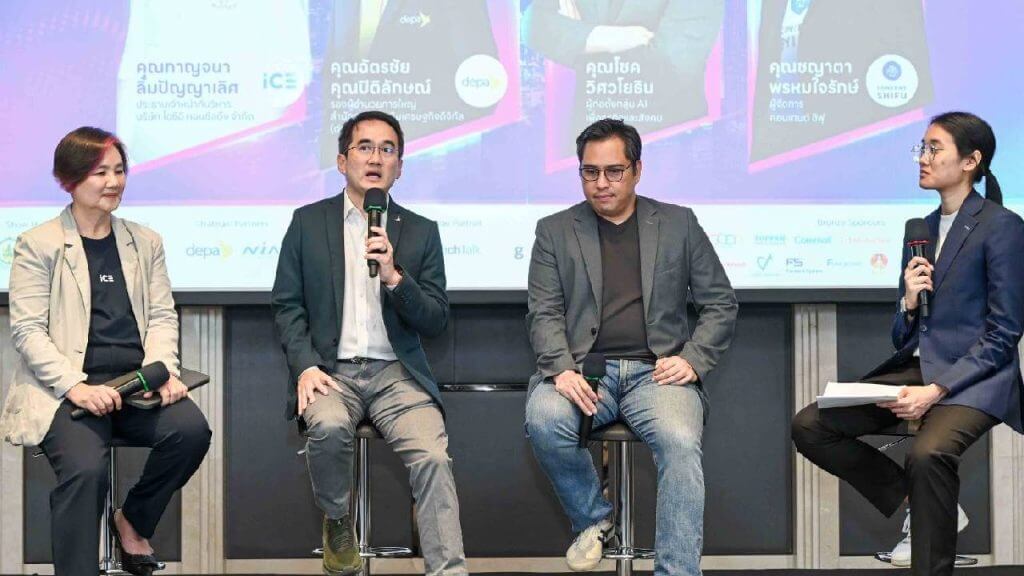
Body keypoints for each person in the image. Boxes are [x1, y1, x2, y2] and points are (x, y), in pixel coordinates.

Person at [792, 111, 1024, 576]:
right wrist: (909, 302)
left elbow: (1005, 331)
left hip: (975, 378)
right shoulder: (919, 228)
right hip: (919, 368)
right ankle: (920, 503)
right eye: (922, 147)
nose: (923, 157)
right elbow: (904, 336)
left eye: (935, 148)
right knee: (810, 425)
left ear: (971, 161)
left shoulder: (1002, 227)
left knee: (928, 454)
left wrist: (935, 391)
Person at [524, 118, 738, 575]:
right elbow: (543, 312)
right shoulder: (554, 230)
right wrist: (561, 369)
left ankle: (677, 572)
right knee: (544, 418)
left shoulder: (678, 223)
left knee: (680, 442)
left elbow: (720, 303)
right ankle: (595, 520)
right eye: (590, 172)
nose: (601, 183)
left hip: (657, 374)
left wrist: (693, 359)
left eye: (613, 171)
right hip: (586, 372)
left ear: (637, 170)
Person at [0, 127, 211, 576]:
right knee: (86, 472)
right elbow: (28, 331)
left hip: (135, 386)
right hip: (67, 394)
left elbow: (162, 316)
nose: (113, 182)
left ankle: (132, 521)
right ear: (70, 180)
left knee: (191, 431)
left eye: (119, 171)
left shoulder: (145, 241)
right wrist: (74, 386)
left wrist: (162, 371)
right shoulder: (38, 244)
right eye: (100, 173)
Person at [272, 110, 467, 576]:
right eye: (364, 147)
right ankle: (338, 520)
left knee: (433, 456)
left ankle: (449, 571)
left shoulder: (421, 230)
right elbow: (287, 305)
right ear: (342, 161)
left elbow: (436, 318)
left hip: (397, 374)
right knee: (328, 427)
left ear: (400, 166)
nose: (375, 158)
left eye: (387, 149)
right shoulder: (307, 222)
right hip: (331, 371)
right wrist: (305, 366)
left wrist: (396, 276)